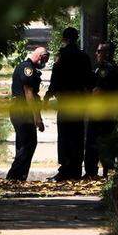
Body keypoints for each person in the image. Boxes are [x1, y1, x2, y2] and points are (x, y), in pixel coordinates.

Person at [44, 27, 93, 181]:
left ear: (64, 39)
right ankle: (76, 169)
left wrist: (48, 95)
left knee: (65, 136)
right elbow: (89, 80)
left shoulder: (62, 56)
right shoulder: (84, 57)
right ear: (77, 38)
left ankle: (65, 169)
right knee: (77, 136)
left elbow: (55, 78)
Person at [6, 46, 49, 181]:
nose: (44, 63)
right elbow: (29, 93)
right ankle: (14, 176)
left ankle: (19, 178)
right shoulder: (27, 68)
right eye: (44, 60)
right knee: (28, 144)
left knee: (23, 144)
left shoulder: (28, 67)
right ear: (40, 56)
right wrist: (37, 118)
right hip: (23, 111)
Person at [84, 42, 118, 178]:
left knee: (96, 142)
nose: (96, 54)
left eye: (99, 51)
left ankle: (95, 172)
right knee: (102, 141)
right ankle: (102, 171)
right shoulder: (102, 68)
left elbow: (99, 91)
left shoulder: (107, 69)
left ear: (107, 53)